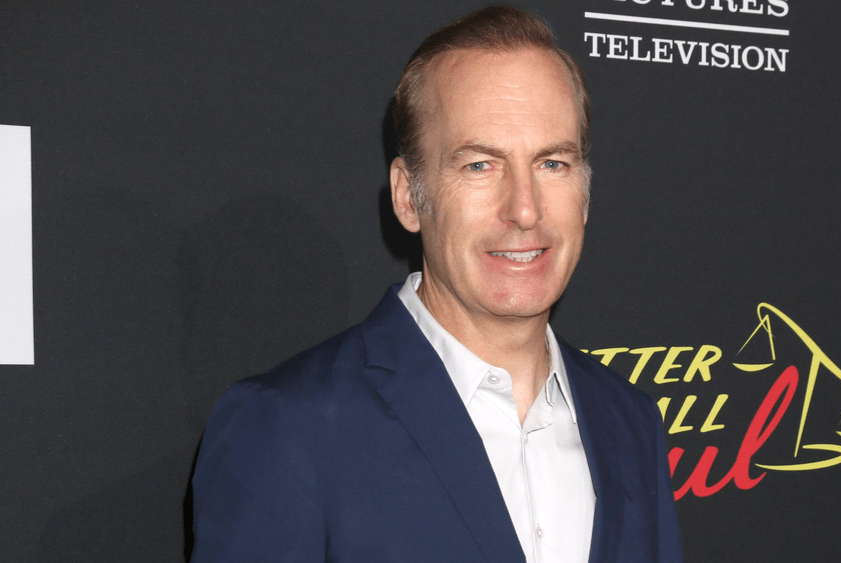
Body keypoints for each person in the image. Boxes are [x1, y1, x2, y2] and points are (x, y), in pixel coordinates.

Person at [190, 6, 683, 562]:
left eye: (552, 163)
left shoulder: (630, 421)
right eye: (480, 165)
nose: (525, 210)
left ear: (585, 193)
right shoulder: (289, 425)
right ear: (408, 197)